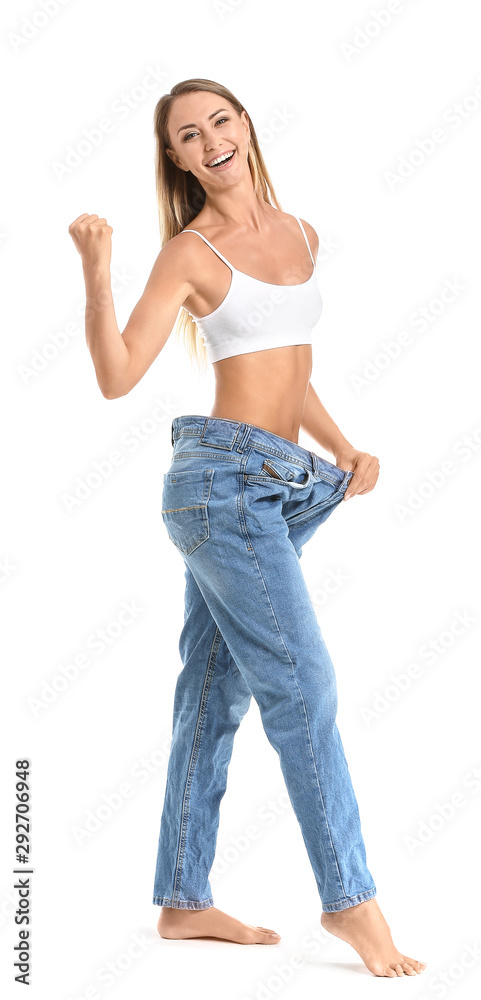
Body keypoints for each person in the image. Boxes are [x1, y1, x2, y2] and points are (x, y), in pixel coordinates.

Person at [68, 78, 426, 979]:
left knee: (211, 693)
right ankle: (351, 903)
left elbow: (285, 364)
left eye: (219, 121)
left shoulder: (300, 233)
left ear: (245, 125)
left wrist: (341, 444)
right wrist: (97, 271)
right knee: (304, 690)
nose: (210, 140)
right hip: (220, 486)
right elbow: (117, 375)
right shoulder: (188, 253)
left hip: (283, 483)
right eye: (188, 135)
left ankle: (183, 902)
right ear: (178, 159)